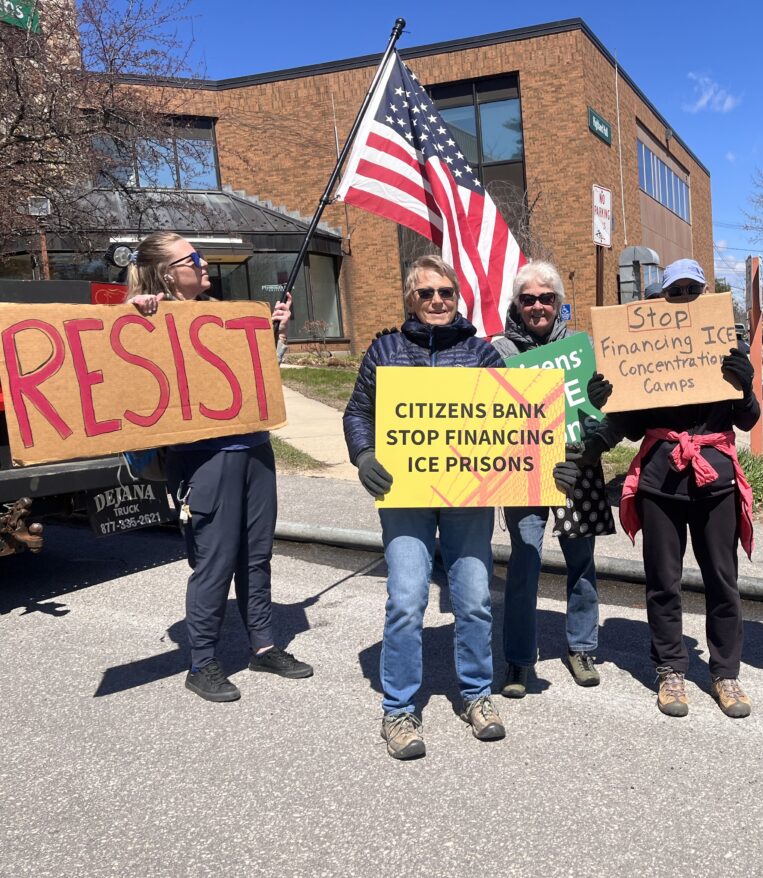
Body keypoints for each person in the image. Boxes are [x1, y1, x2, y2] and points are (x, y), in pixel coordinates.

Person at [343, 255, 523, 760]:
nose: (437, 300)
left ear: (457, 298)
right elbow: (358, 412)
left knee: (474, 600)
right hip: (406, 496)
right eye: (426, 293)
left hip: (468, 497)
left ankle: (476, 695)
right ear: (411, 299)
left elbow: (514, 420)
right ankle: (398, 708)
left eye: (446, 292)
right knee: (405, 601)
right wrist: (364, 454)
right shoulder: (385, 350)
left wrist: (549, 455)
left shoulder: (481, 354)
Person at [126, 231, 312, 703]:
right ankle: (202, 662)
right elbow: (121, 364)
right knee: (215, 562)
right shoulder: (145, 317)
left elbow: (259, 379)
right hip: (202, 459)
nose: (204, 263)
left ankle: (263, 646)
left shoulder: (222, 317)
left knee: (257, 555)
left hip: (255, 449)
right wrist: (136, 312)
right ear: (168, 274)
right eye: (193, 258)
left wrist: (275, 334)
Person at [612, 258, 759, 718]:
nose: (684, 299)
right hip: (661, 480)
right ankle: (671, 668)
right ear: (662, 298)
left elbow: (748, 419)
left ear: (704, 295)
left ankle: (725, 672)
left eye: (691, 290)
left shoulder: (728, 347)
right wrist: (608, 399)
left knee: (723, 581)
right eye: (675, 292)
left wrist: (745, 385)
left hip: (715, 479)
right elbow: (631, 427)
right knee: (663, 581)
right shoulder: (646, 349)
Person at [490, 261, 615, 697]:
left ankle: (582, 647)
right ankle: (518, 658)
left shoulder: (582, 348)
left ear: (558, 303)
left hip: (577, 469)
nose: (537, 306)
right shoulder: (499, 351)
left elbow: (605, 416)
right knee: (525, 563)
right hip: (523, 471)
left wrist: (595, 426)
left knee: (581, 563)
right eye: (528, 299)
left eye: (546, 298)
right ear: (516, 305)